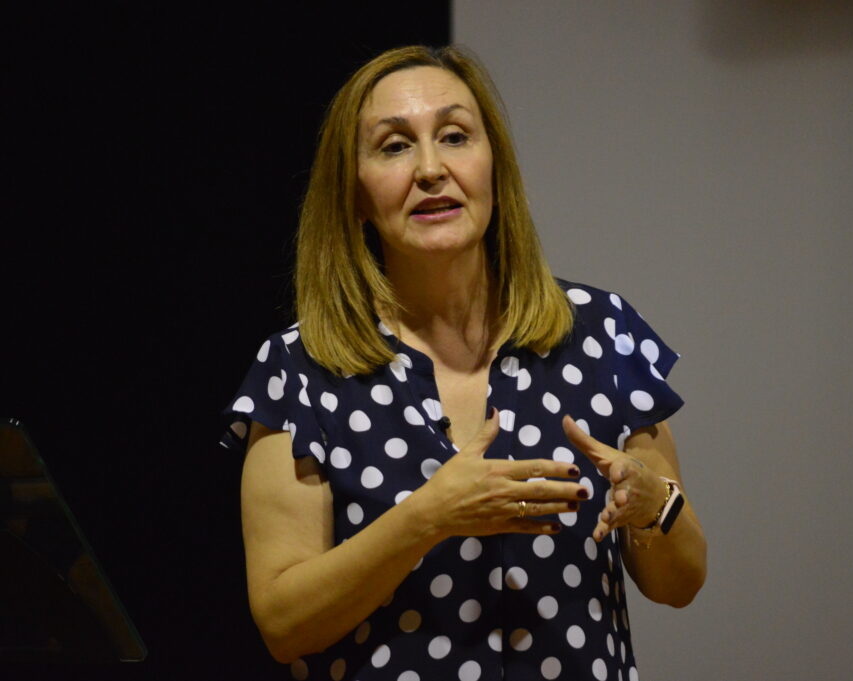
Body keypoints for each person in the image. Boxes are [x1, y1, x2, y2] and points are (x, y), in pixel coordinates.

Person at [222, 45, 706, 681]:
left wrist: (652, 506)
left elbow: (681, 583)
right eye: (394, 146)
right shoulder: (300, 369)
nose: (430, 168)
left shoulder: (601, 332)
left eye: (454, 136)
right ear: (356, 195)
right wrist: (426, 519)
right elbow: (283, 625)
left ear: (494, 167)